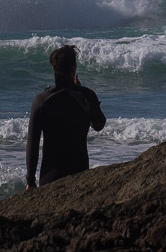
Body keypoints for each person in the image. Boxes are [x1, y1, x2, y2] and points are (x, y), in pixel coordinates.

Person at [26, 45, 106, 189]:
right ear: (74, 68)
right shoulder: (86, 96)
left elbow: (33, 144)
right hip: (80, 175)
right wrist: (83, 95)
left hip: (49, 178)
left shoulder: (41, 100)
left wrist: (30, 181)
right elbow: (99, 125)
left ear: (53, 68)